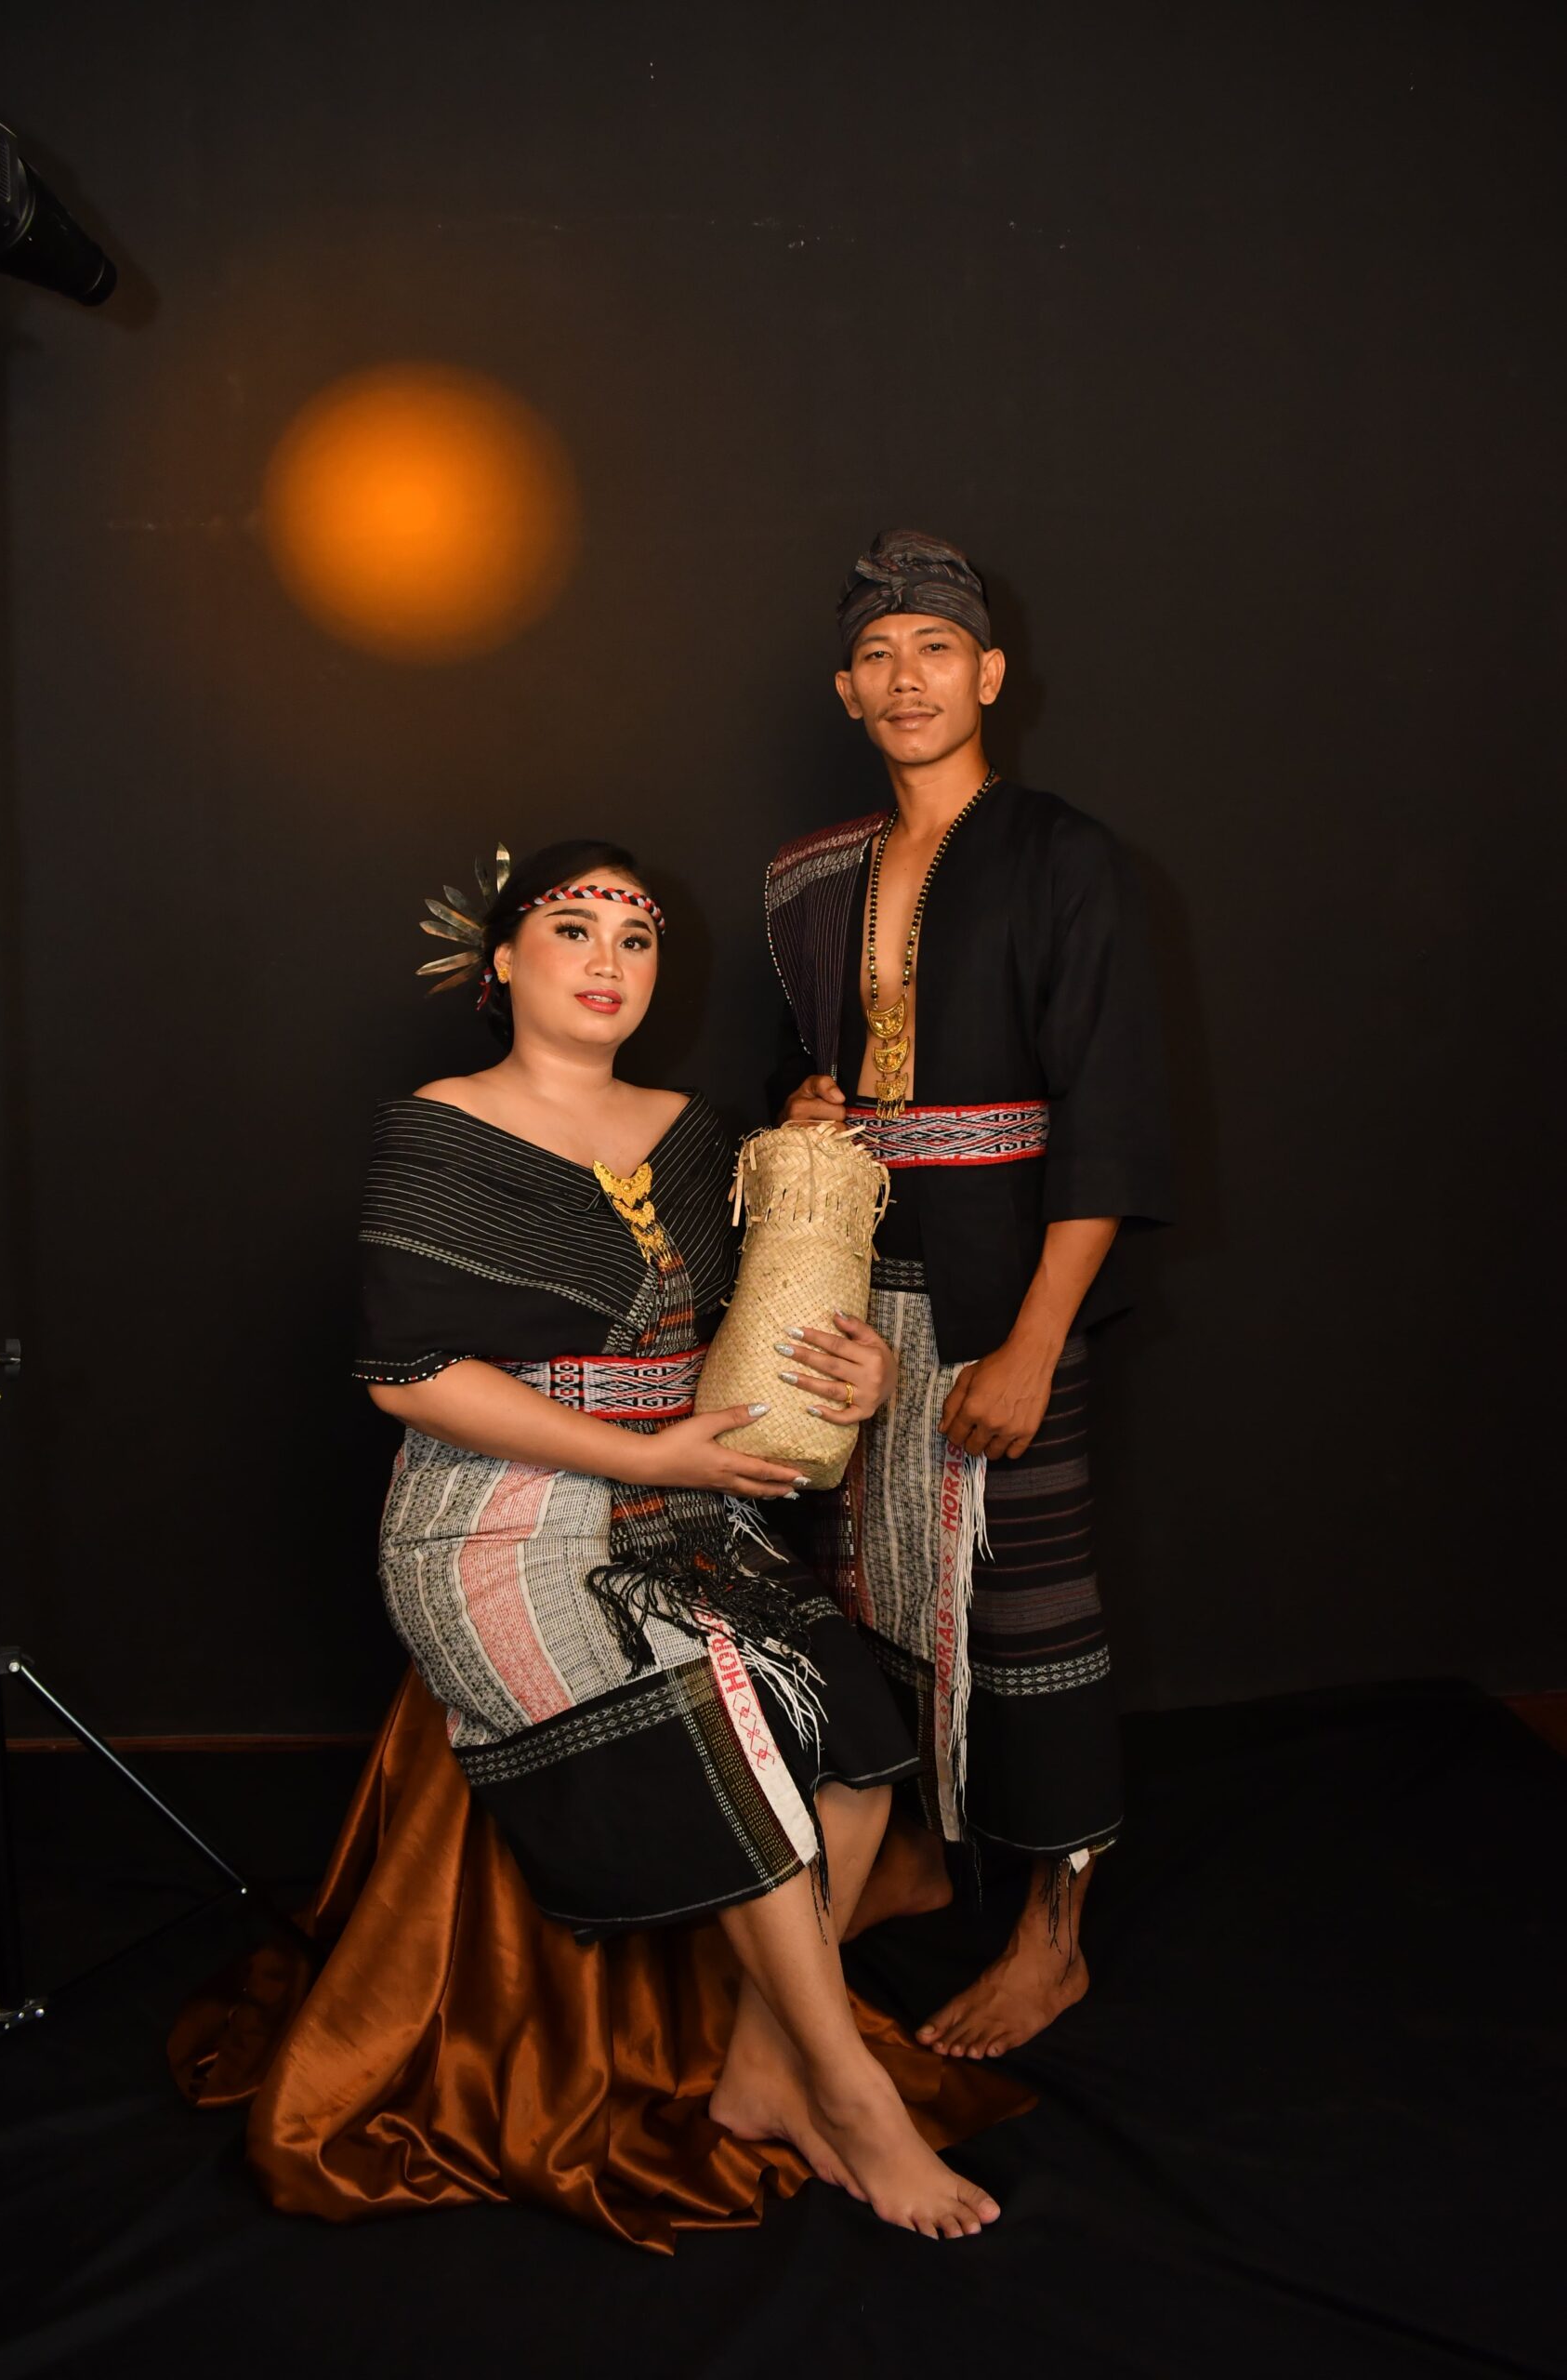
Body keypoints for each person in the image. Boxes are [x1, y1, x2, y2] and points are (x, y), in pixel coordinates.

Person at [175, 834, 1017, 2246]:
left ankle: (765, 2068)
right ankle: (853, 2097)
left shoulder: (695, 1134)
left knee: (865, 1751)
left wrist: (859, 1371)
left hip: (684, 1502)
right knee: (725, 1727)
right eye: (574, 929)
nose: (609, 960)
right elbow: (410, 1375)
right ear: (504, 959)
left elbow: (755, 1328)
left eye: (637, 938)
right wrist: (641, 1452)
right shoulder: (441, 1127)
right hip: (493, 1516)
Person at [767, 532, 1173, 2059]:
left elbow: (1110, 1117)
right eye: (876, 656)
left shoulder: (1064, 855)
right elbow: (809, 1067)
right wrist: (809, 1100)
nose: (906, 678)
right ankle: (916, 1857)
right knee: (865, 1595)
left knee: (1026, 1617)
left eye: (934, 648)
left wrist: (1034, 1344)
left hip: (1011, 1291)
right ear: (846, 692)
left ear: (989, 674)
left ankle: (1052, 1937)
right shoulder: (815, 876)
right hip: (852, 1282)